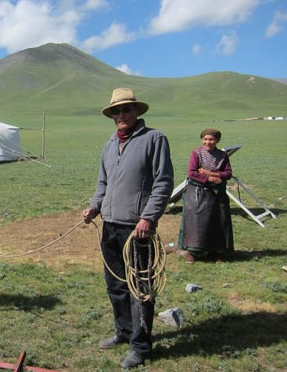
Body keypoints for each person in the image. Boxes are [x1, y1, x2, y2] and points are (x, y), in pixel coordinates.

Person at [82, 88, 174, 369]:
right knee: (115, 285)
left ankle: (141, 346)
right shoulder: (109, 144)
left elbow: (163, 182)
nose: (121, 115)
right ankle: (123, 331)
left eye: (127, 109)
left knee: (140, 288)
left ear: (137, 111)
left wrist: (148, 217)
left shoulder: (154, 139)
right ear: (112, 116)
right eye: (116, 111)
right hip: (110, 225)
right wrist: (95, 206)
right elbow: (103, 184)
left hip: (138, 229)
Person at [178, 128, 234, 263]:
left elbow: (228, 174)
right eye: (205, 139)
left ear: (217, 140)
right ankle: (191, 252)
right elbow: (192, 173)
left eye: (211, 139)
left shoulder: (223, 155)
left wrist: (209, 173)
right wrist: (210, 179)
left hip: (217, 194)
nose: (207, 142)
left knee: (218, 221)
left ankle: (215, 251)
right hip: (198, 192)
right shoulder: (196, 153)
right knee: (196, 222)